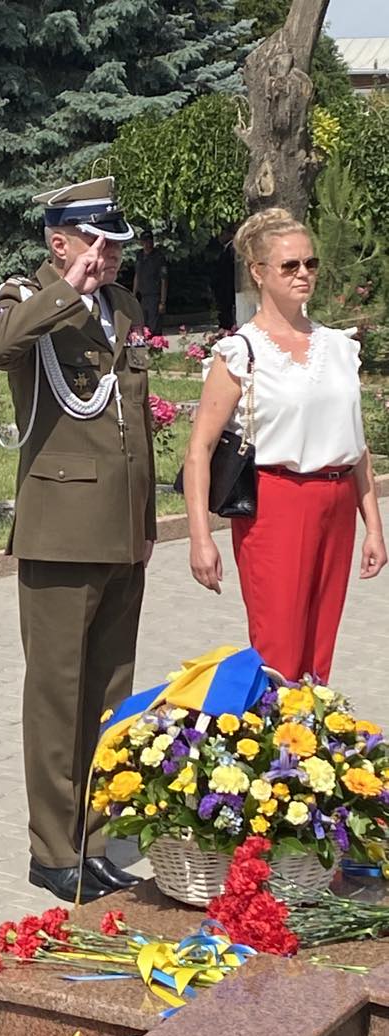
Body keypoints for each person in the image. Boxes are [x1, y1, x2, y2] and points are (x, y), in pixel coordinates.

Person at [0, 177, 155, 904]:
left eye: (115, 246)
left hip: (124, 527)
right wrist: (67, 292)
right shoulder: (26, 299)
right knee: (57, 697)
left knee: (111, 695)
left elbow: (129, 420)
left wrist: (147, 520)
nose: (108, 258)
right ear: (60, 243)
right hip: (60, 531)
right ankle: (53, 849)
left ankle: (96, 840)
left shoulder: (123, 307)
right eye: (96, 244)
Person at [183, 207, 386, 683]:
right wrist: (200, 538)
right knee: (279, 646)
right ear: (259, 272)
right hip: (276, 504)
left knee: (320, 645)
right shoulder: (242, 352)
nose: (303, 274)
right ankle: (276, 727)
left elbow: (356, 442)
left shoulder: (339, 346)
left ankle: (313, 726)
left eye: (310, 263)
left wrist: (374, 527)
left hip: (337, 502)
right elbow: (199, 450)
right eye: (289, 265)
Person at [132, 229, 168, 334]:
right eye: (145, 241)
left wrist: (162, 301)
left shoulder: (159, 257)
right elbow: (137, 275)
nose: (148, 243)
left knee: (154, 327)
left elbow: (164, 280)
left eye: (149, 240)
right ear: (141, 242)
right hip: (143, 297)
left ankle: (156, 344)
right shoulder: (139, 255)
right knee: (143, 327)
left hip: (155, 297)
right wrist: (133, 295)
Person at [212, 226, 237, 331]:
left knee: (227, 310)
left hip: (228, 286)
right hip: (224, 286)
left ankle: (228, 328)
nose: (219, 237)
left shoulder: (232, 248)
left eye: (222, 234)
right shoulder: (226, 248)